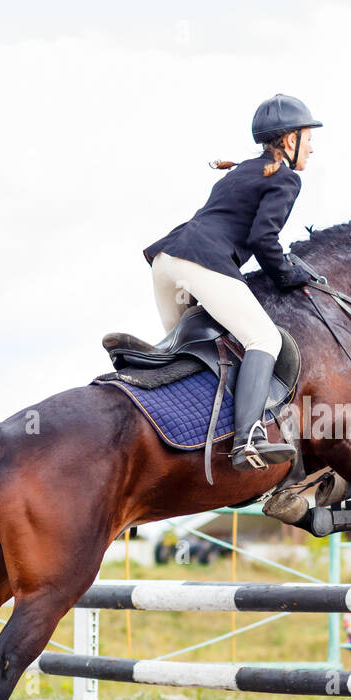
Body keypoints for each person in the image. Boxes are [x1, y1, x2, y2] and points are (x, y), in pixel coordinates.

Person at [140, 94, 322, 472]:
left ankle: (154, 432)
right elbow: (263, 240)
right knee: (264, 340)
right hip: (201, 263)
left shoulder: (241, 170)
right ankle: (249, 440)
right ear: (291, 141)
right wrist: (290, 276)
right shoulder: (285, 177)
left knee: (189, 353)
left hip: (167, 262)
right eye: (308, 137)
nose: (312, 148)